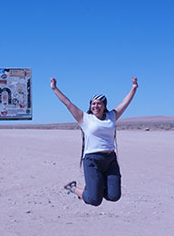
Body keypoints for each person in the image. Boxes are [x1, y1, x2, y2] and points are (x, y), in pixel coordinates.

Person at [50, 76, 138, 206]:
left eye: (99, 103)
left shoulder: (112, 116)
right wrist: (54, 88)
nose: (95, 106)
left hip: (110, 160)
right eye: (93, 103)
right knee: (94, 200)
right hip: (92, 160)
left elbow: (125, 103)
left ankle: (93, 188)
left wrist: (134, 88)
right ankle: (73, 188)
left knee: (113, 196)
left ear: (104, 106)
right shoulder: (84, 118)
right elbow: (68, 103)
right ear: (90, 106)